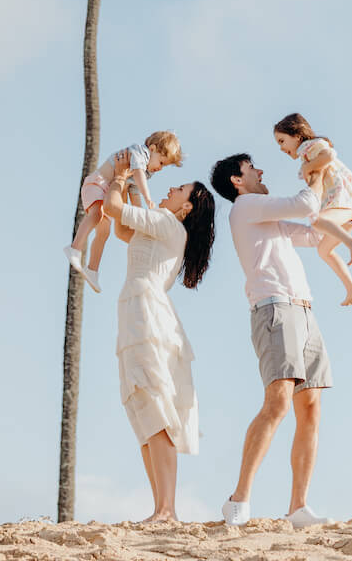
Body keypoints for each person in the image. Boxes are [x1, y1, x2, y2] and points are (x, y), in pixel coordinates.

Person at [210, 152, 334, 528]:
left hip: (305, 311)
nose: (261, 171)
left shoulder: (266, 217)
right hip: (275, 310)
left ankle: (298, 507)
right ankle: (239, 498)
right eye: (252, 168)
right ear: (237, 180)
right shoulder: (246, 206)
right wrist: (317, 166)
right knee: (277, 403)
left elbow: (314, 235)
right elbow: (304, 203)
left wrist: (344, 208)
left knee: (310, 406)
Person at [101, 154, 216, 523]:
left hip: (147, 314)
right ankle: (160, 508)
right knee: (143, 409)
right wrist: (129, 183)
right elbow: (122, 229)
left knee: (154, 406)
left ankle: (166, 510)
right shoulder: (162, 224)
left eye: (180, 188)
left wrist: (120, 177)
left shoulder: (168, 225)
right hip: (137, 311)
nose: (171, 187)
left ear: (187, 206)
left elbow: (113, 207)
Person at [273, 112, 352, 307]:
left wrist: (309, 166)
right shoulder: (305, 157)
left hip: (347, 204)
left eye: (282, 141)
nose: (281, 148)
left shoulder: (310, 146)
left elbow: (330, 154)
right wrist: (308, 171)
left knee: (317, 220)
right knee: (323, 250)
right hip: (346, 211)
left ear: (297, 136)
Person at [66, 130, 184, 293]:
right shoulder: (138, 152)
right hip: (97, 184)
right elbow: (138, 175)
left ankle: (92, 269)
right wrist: (148, 197)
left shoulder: (145, 171)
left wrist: (142, 216)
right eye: (161, 163)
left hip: (106, 192)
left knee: (104, 231)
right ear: (153, 149)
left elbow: (133, 190)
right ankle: (75, 248)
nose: (160, 168)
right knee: (96, 215)